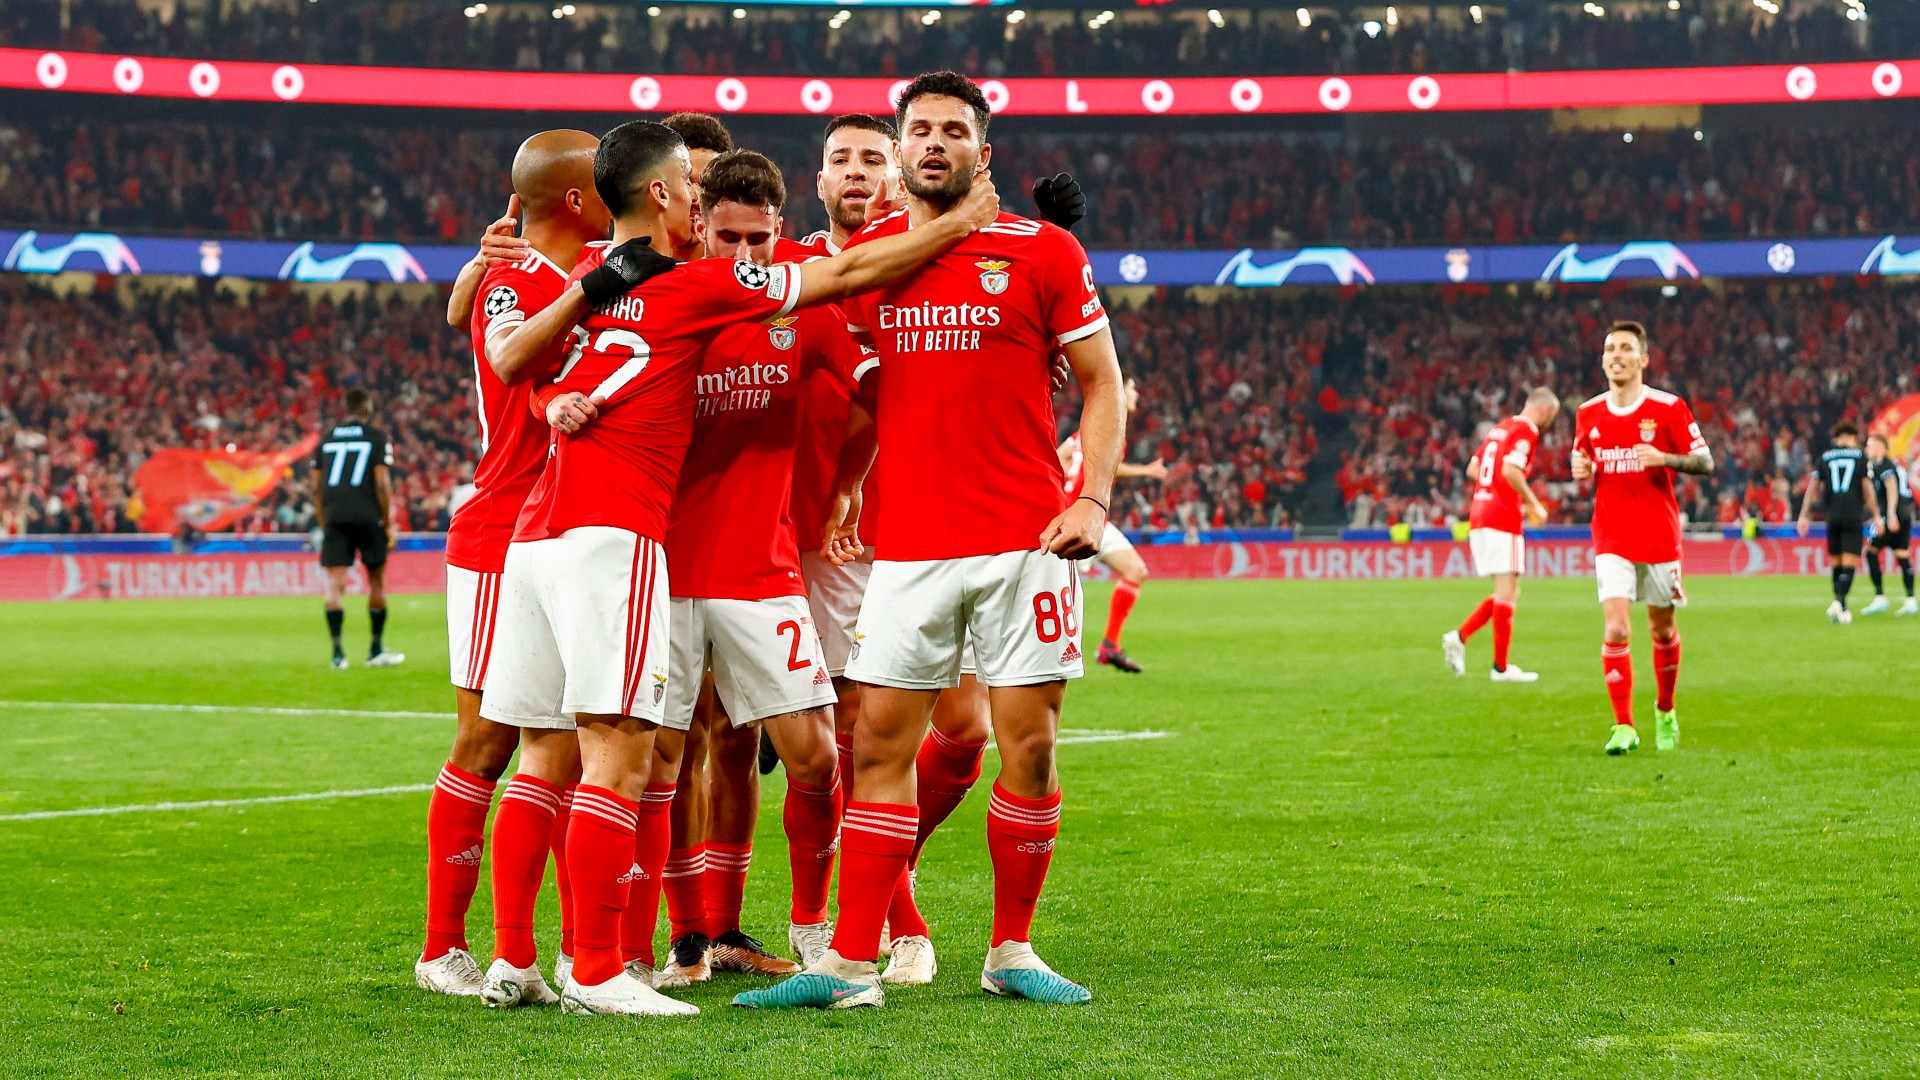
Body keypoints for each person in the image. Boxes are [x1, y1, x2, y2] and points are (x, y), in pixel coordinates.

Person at [477, 118, 1000, 1018]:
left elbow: (508, 355)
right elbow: (839, 274)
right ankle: (600, 966)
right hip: (621, 539)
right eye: (689, 185)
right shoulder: (700, 286)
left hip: (543, 534)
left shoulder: (592, 283)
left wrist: (556, 342)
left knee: (545, 754)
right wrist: (958, 223)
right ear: (665, 196)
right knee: (623, 752)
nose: (697, 192)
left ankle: (517, 960)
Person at [737, 71, 1126, 1011]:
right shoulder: (872, 258)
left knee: (1028, 748)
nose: (935, 144)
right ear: (902, 150)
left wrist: (1093, 498)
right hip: (907, 550)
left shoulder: (1043, 250)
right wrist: (848, 484)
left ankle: (1011, 951)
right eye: (921, 131)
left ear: (982, 154)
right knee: (877, 748)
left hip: (1025, 540)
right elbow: (855, 375)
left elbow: (1103, 384)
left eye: (955, 131)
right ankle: (849, 965)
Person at [619, 150, 855, 987]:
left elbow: (873, 386)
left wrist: (847, 488)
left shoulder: (799, 302)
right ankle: (675, 942)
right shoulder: (664, 300)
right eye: (730, 238)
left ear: (780, 230)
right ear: (700, 228)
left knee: (814, 756)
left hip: (762, 568)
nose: (747, 254)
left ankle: (807, 929)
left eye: (761, 239)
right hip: (665, 568)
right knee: (661, 760)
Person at [413, 130, 620, 999]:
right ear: (575, 199)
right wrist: (476, 281)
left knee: (566, 746)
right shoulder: (515, 282)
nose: (619, 191)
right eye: (605, 181)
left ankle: (557, 955)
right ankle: (441, 950)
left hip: (567, 530)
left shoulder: (584, 269)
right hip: (503, 532)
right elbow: (508, 357)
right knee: (488, 741)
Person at [1570, 320, 1713, 756]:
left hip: (1658, 536)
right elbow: (1582, 460)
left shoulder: (1668, 407)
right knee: (1616, 628)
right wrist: (1581, 470)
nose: (1616, 355)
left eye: (1625, 348)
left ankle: (1665, 709)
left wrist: (1665, 458)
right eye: (1610, 348)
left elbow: (1704, 462)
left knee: (1662, 628)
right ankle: (1623, 725)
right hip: (1611, 535)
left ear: (1643, 359)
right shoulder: (1588, 412)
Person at [1443, 387, 1560, 682]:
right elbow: (1510, 470)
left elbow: (1474, 469)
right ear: (1546, 411)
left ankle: (1461, 638)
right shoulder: (1526, 430)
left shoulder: (1500, 428)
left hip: (1479, 513)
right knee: (1507, 593)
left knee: (1507, 591)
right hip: (1502, 516)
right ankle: (1500, 667)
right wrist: (1533, 504)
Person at [1059, 375, 1168, 673]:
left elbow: (1060, 457)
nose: (1136, 396)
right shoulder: (1110, 423)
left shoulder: (1082, 431)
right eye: (1132, 390)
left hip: (1090, 517)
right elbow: (1109, 466)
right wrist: (1146, 471)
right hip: (1079, 519)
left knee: (1135, 570)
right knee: (1055, 595)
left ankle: (1109, 646)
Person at [310, 388, 402, 670]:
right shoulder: (376, 437)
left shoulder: (326, 439)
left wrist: (325, 521)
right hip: (368, 515)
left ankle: (338, 656)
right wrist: (387, 524)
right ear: (366, 408)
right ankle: (375, 650)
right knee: (376, 581)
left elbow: (315, 487)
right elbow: (382, 483)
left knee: (334, 585)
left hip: (335, 517)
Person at [1798, 422, 1878, 624]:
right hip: (1853, 515)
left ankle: (1841, 609)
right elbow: (1867, 488)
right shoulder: (1860, 457)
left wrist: (1804, 515)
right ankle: (1839, 601)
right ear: (1851, 437)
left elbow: (1813, 488)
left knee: (1836, 563)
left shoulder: (1824, 457)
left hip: (1832, 516)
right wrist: (1876, 514)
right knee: (1850, 563)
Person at [1860, 432, 1917, 616]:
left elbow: (1891, 486)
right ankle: (1911, 600)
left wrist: (1890, 514)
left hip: (1893, 514)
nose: (1867, 448)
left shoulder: (1883, 464)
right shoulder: (1894, 464)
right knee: (1902, 554)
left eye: (1870, 445)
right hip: (1905, 513)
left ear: (1881, 447)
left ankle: (1880, 597)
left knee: (1870, 553)